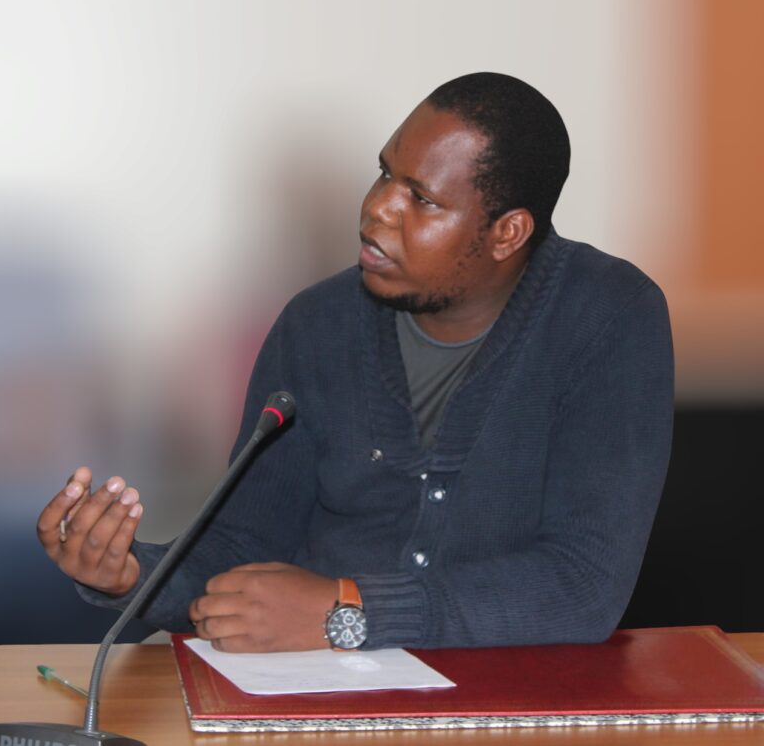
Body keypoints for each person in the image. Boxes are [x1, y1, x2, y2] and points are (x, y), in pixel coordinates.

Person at [37, 73, 673, 653]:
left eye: (421, 199)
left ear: (507, 233)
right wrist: (131, 574)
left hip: (515, 705)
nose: (378, 209)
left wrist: (348, 611)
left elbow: (583, 586)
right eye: (385, 173)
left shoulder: (609, 318)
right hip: (322, 698)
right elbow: (243, 549)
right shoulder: (316, 325)